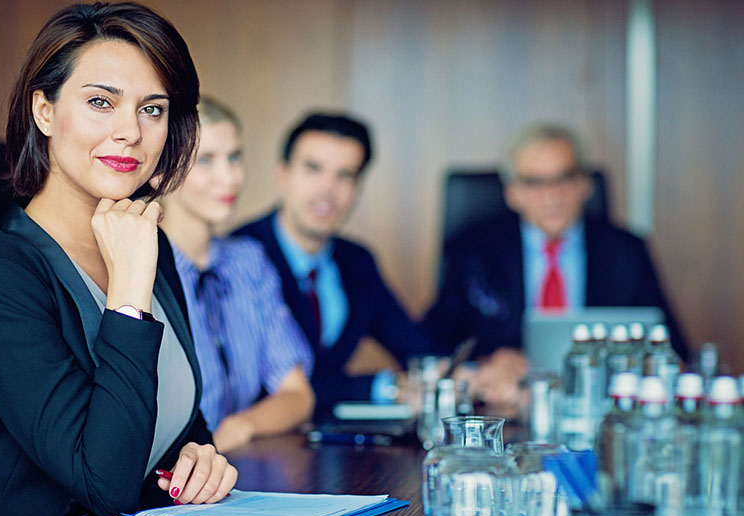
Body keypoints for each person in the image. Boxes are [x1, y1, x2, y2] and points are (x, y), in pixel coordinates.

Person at [0, 4, 237, 516]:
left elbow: (178, 417)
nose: (130, 132)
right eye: (101, 102)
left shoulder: (148, 244)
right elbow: (102, 481)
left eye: (153, 109)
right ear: (45, 112)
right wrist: (127, 291)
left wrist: (201, 456)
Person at [424, 123, 689, 404]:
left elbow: (674, 352)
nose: (552, 194)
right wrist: (486, 365)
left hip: (601, 408)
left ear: (585, 185)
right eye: (534, 182)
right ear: (512, 193)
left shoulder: (626, 251)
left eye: (564, 178)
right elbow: (432, 348)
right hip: (504, 414)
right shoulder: (472, 253)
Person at [234, 112, 440, 415]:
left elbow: (411, 343)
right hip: (256, 446)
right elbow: (262, 385)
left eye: (345, 175)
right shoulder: (240, 256)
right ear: (283, 175)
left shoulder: (356, 260)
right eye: (313, 169)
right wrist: (381, 387)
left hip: (334, 446)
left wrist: (468, 373)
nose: (327, 190)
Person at [158, 96, 315, 452]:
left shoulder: (248, 261)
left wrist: (239, 427)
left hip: (235, 471)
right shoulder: (138, 268)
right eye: (206, 161)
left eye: (234, 157)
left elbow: (297, 395)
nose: (229, 178)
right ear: (163, 170)